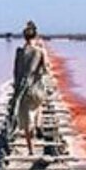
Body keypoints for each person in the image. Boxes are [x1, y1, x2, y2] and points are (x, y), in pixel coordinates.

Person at [12, 20, 49, 155]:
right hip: (37, 87)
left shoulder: (19, 52)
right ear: (36, 36)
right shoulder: (40, 51)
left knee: (27, 123)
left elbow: (15, 72)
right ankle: (38, 124)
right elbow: (46, 69)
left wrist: (16, 88)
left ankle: (31, 150)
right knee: (39, 105)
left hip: (23, 89)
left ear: (24, 37)